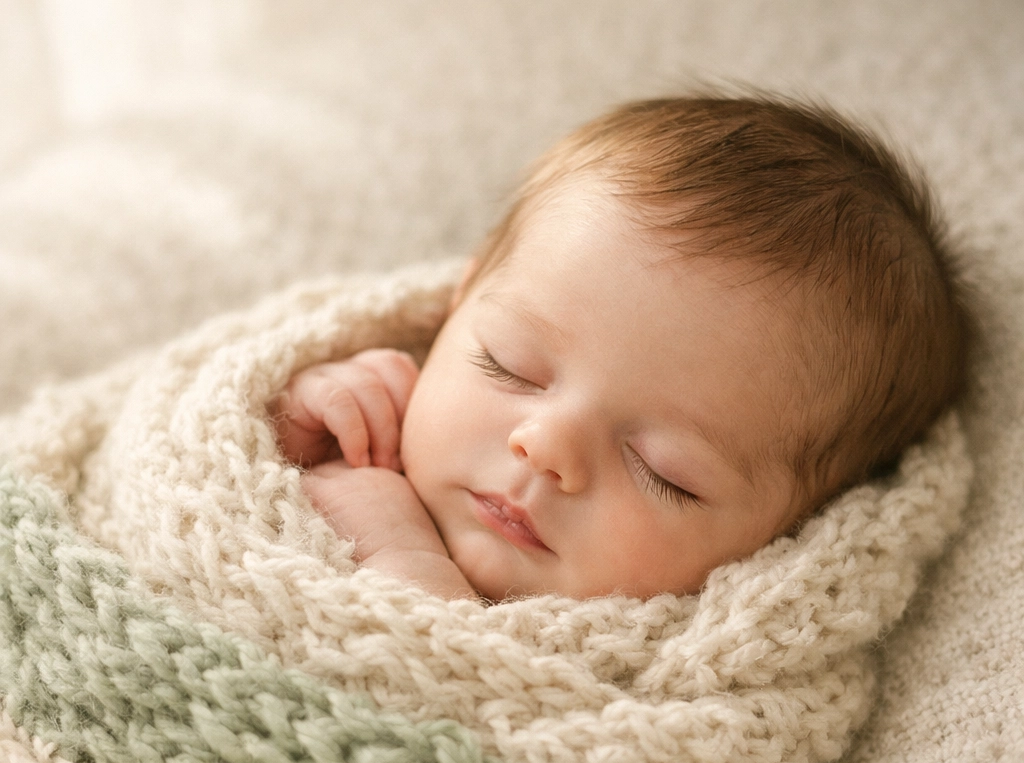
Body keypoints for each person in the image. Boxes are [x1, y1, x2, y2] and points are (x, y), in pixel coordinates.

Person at [272, 95, 972, 602]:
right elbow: (186, 453)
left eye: (664, 472)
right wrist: (287, 421)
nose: (546, 447)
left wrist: (406, 568)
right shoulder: (365, 406)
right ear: (457, 308)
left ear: (789, 539)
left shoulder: (687, 690)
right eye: (507, 365)